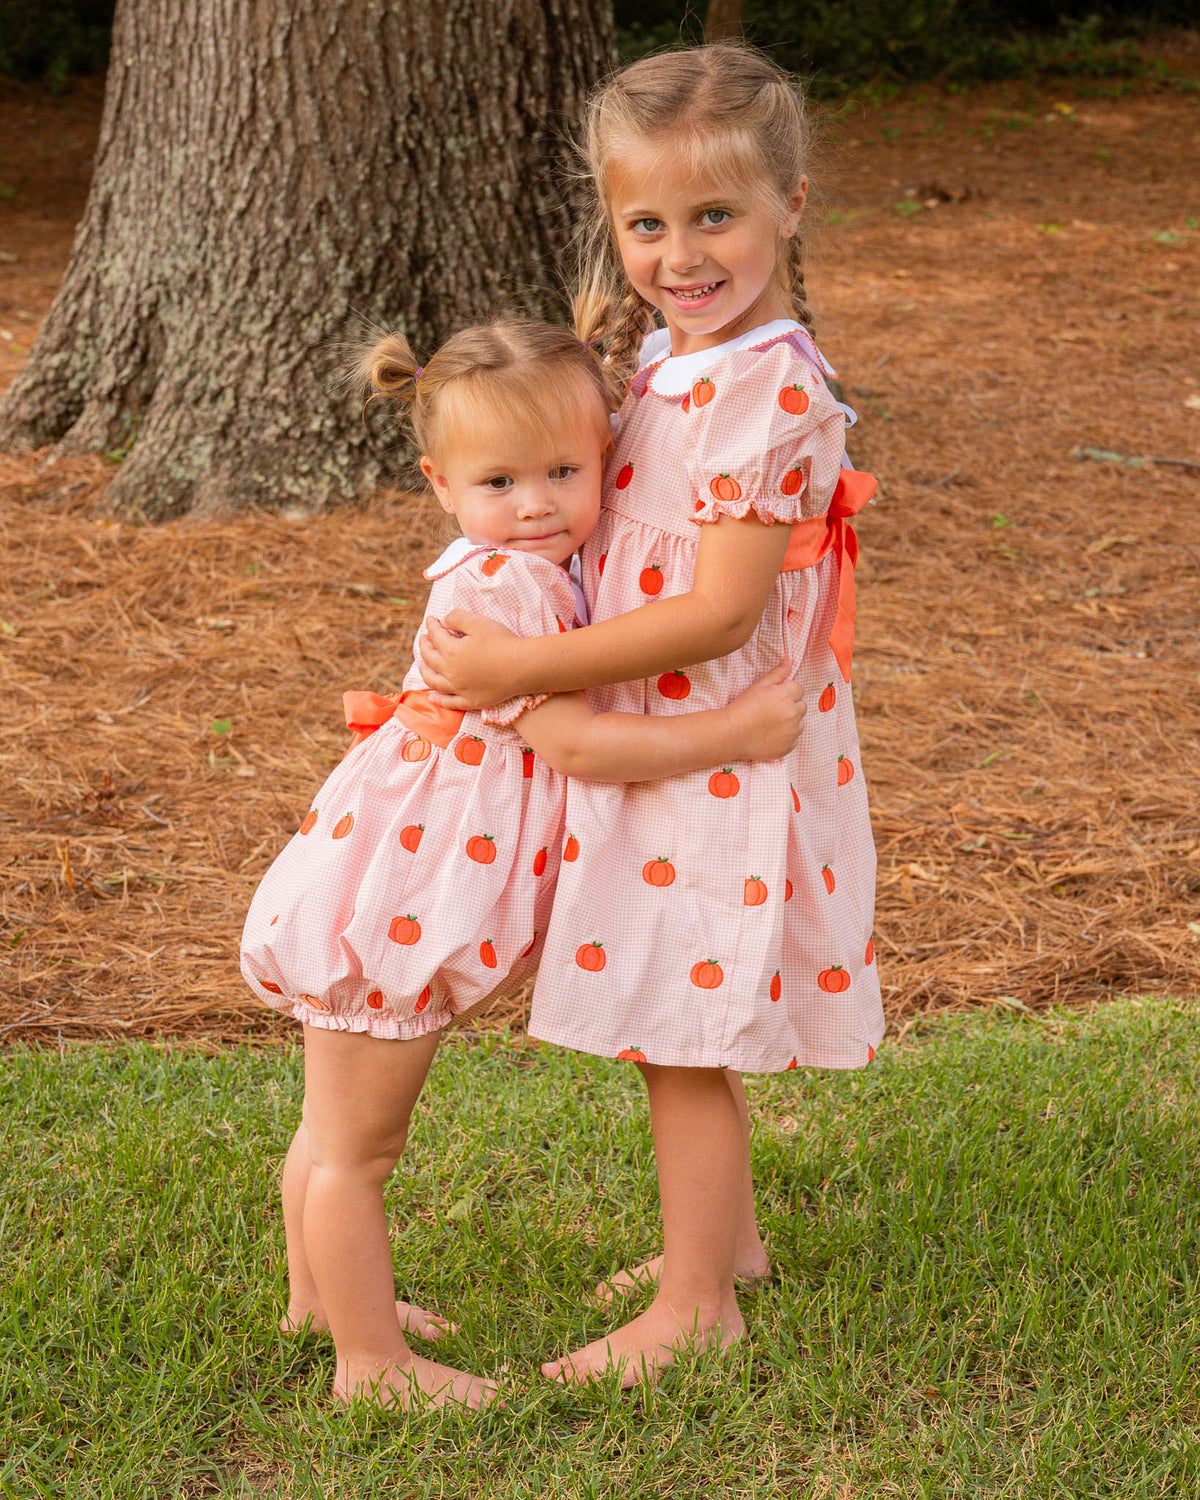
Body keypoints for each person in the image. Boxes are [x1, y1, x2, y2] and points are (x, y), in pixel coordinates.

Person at [418, 44, 886, 1386]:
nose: (680, 254)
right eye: (647, 223)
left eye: (715, 217)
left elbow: (724, 613)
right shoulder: (687, 356)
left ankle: (696, 1310)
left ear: (792, 203)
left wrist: (528, 673)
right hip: (671, 736)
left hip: (718, 739)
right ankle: (721, 1245)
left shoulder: (772, 388)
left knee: (681, 1030)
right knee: (669, 1005)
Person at [240, 318, 807, 1410]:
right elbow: (578, 744)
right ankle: (372, 1366)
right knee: (359, 1148)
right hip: (398, 905)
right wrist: (730, 735)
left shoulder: (505, 567)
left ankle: (322, 1300)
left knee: (331, 1128)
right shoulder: (511, 598)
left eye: (564, 471)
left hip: (380, 875)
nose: (538, 501)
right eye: (501, 479)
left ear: (606, 457)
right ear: (439, 483)